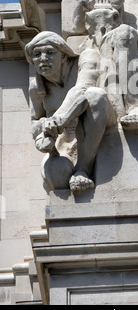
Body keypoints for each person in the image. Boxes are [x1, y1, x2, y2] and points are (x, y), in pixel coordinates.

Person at [25, 31, 115, 192]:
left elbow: (83, 88)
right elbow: (34, 124)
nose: (43, 58)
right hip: (63, 139)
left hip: (98, 122)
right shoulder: (36, 88)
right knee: (56, 178)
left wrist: (58, 119)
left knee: (95, 95)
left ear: (64, 55)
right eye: (37, 54)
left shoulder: (86, 58)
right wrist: (45, 125)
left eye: (50, 52)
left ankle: (83, 169)